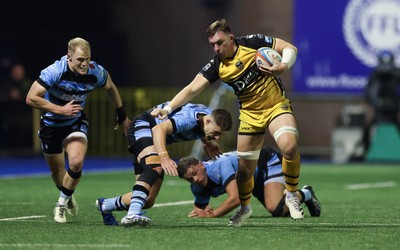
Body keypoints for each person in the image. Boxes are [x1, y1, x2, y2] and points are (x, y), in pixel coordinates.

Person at [151, 19, 303, 226]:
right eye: (213, 45)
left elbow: (290, 48)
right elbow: (192, 88)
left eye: (220, 42)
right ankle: (245, 208)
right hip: (250, 114)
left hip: (276, 105)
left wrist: (283, 66)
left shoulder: (252, 43)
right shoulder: (217, 65)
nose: (217, 48)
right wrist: (168, 109)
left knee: (289, 146)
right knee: (243, 170)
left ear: (231, 38)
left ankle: (293, 195)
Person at [25, 37, 131, 223]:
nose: (84, 63)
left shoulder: (95, 72)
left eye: (87, 58)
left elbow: (111, 87)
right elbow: (31, 97)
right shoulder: (55, 71)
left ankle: (61, 204)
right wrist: (60, 109)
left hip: (75, 122)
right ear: (69, 57)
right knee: (58, 174)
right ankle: (67, 193)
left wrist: (121, 114)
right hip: (51, 124)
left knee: (76, 162)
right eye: (80, 59)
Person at [95, 102, 232, 226]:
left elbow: (200, 126)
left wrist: (207, 141)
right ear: (207, 121)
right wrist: (164, 157)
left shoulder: (206, 119)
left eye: (220, 135)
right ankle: (132, 214)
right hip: (145, 126)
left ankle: (105, 205)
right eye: (216, 133)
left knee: (148, 200)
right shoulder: (189, 119)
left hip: (152, 138)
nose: (217, 138)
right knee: (156, 165)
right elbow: (158, 129)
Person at [177, 147, 320, 225]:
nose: (196, 179)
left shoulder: (220, 166)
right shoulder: (196, 186)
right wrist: (201, 211)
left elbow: (236, 198)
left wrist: (212, 214)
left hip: (266, 163)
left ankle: (306, 193)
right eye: (190, 179)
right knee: (279, 212)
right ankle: (302, 196)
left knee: (273, 207)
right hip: (253, 178)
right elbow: (199, 209)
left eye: (195, 173)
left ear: (201, 164)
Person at [363, 51, 400, 152]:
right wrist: (376, 102)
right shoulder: (375, 75)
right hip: (379, 109)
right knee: (368, 128)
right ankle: (365, 151)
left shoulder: (397, 74)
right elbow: (368, 92)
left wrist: (396, 103)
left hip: (394, 110)